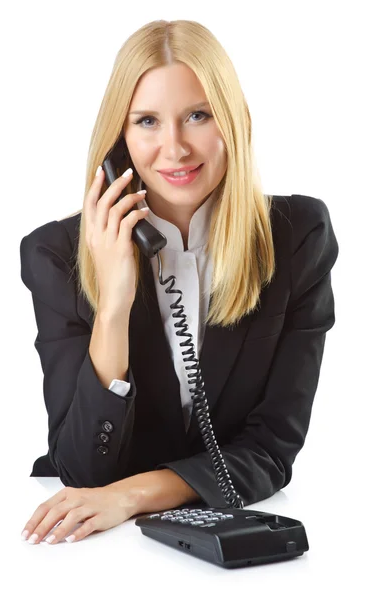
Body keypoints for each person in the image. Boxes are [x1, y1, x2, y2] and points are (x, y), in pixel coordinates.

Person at [19, 19, 339, 545]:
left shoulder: (298, 238)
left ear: (232, 122)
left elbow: (272, 449)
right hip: (85, 555)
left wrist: (134, 495)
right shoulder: (54, 255)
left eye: (197, 115)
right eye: (146, 120)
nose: (174, 148)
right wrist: (114, 305)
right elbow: (80, 468)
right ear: (117, 141)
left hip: (202, 538)